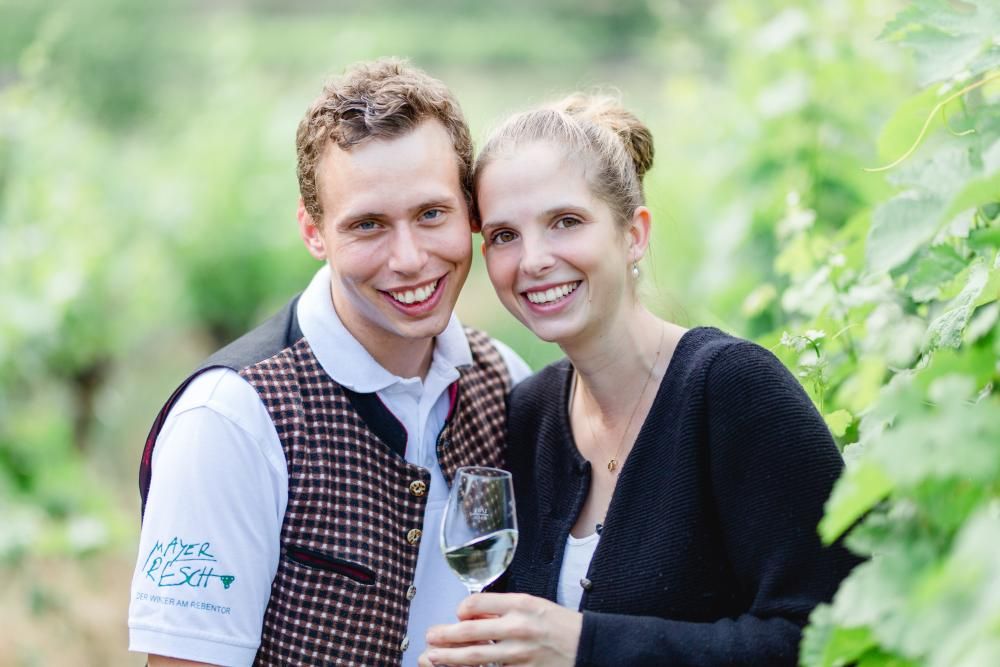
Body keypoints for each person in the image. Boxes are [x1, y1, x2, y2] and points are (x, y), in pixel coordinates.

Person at [419, 94, 861, 666]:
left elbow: (831, 637)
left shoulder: (733, 391)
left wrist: (587, 646)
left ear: (634, 234)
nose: (533, 260)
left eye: (565, 222)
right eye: (505, 235)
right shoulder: (530, 412)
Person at [128, 58, 531, 666]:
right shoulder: (230, 421)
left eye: (431, 214)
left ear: (471, 213)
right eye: (368, 225)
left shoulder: (505, 379)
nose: (409, 258)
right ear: (313, 231)